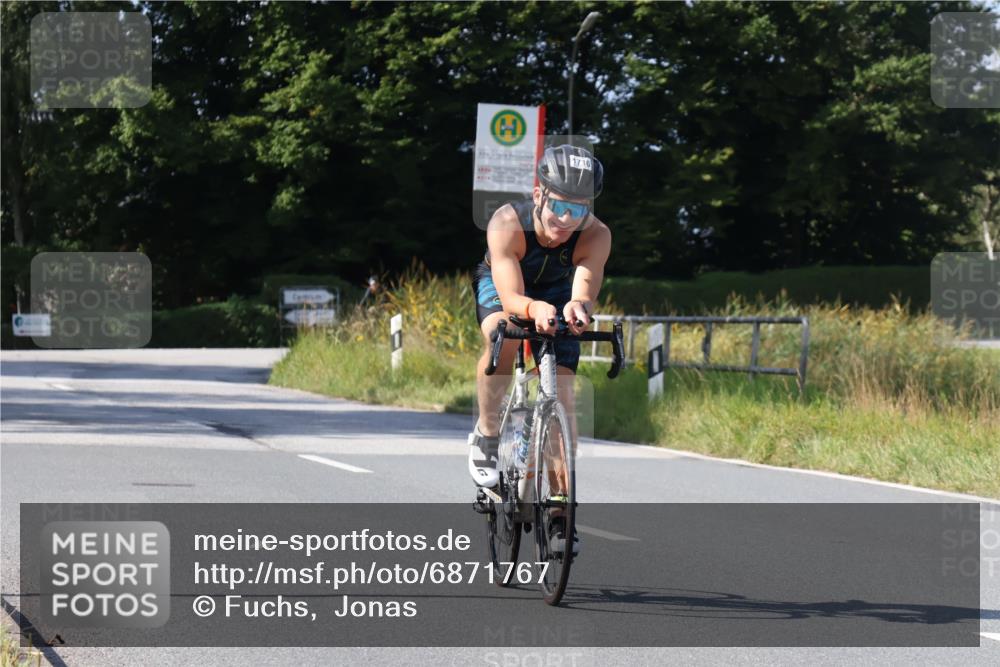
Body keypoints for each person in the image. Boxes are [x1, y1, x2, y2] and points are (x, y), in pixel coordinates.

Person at [467, 144, 611, 554]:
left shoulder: (596, 235)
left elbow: (584, 289)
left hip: (557, 293)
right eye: (558, 207)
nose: (566, 221)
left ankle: (561, 511)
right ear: (539, 195)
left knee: (563, 397)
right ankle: (488, 435)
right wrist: (532, 308)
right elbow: (511, 294)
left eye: (577, 210)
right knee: (503, 335)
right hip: (506, 285)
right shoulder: (507, 222)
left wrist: (577, 308)